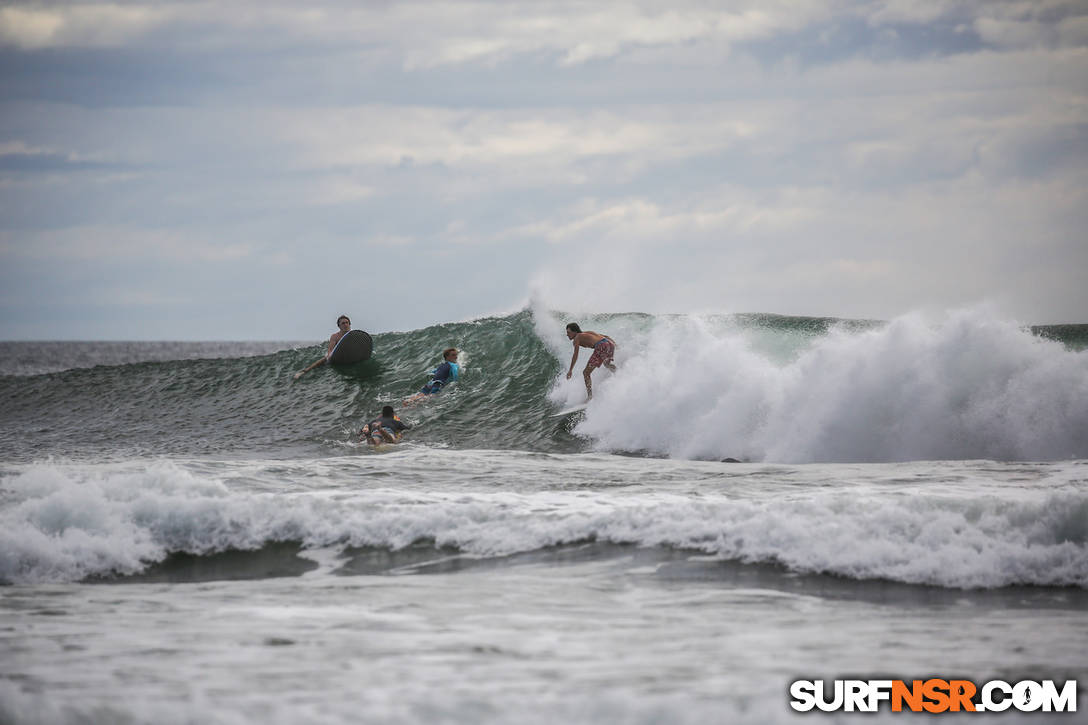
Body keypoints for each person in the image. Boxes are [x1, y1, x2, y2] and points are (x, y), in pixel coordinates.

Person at [565, 323, 616, 400]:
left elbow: (575, 355)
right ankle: (619, 372)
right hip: (609, 344)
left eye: (568, 332)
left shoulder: (577, 338)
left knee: (586, 373)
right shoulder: (587, 333)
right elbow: (606, 337)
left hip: (601, 346)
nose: (567, 334)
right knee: (606, 364)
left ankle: (590, 397)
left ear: (575, 332)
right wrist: (616, 346)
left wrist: (570, 370)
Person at [294, 315, 353, 379]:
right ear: (339, 326)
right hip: (336, 355)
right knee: (323, 359)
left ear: (349, 324)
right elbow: (330, 350)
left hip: (348, 355)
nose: (345, 325)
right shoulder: (335, 336)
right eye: (343, 323)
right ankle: (303, 372)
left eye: (347, 322)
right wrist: (330, 356)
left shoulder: (354, 334)